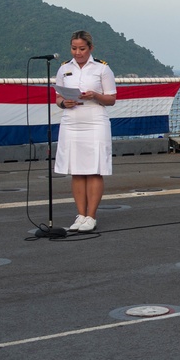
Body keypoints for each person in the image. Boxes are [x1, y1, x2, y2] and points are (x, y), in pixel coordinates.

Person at [54, 30, 117, 232]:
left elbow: (111, 99)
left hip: (95, 119)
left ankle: (92, 216)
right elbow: (57, 98)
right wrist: (65, 102)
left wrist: (95, 95)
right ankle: (80, 215)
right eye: (74, 48)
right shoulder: (64, 69)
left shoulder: (102, 69)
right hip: (71, 120)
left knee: (94, 168)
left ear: (90, 48)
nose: (77, 53)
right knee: (77, 170)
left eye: (82, 48)